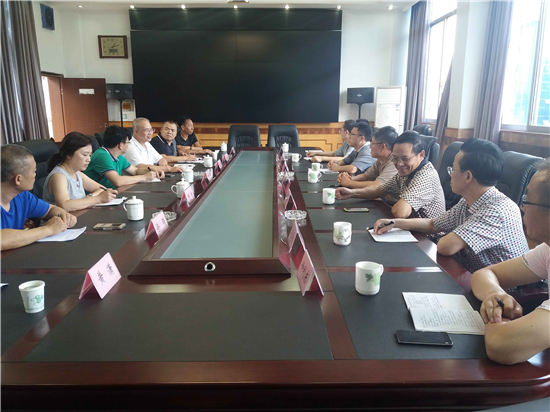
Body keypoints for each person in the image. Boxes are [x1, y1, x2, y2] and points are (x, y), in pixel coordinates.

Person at [373, 138, 529, 274]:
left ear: (468, 176)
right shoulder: (468, 201)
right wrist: (394, 223)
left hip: (501, 291)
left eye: (452, 169)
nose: (450, 174)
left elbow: (446, 247)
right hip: (474, 275)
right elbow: (433, 224)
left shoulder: (496, 210)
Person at [469, 159, 550, 365]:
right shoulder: (547, 250)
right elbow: (485, 274)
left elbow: (501, 346)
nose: (522, 208)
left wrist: (497, 314)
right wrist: (496, 296)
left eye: (527, 200)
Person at [336, 131, 445, 219]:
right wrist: (351, 193)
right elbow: (380, 190)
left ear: (421, 155)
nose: (400, 164)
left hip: (427, 237)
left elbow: (400, 212)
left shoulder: (425, 176)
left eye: (405, 158)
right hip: (409, 228)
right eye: (395, 158)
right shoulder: (407, 172)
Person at [1, 145, 77, 251]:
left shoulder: (23, 196)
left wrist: (64, 216)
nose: (35, 175)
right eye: (34, 171)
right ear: (18, 179)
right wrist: (48, 229)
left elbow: (49, 210)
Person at [43, 132, 118, 211]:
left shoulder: (77, 174)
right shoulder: (59, 176)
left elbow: (102, 189)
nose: (89, 159)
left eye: (90, 155)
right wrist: (97, 199)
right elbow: (65, 205)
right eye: (84, 155)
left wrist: (90, 197)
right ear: (69, 154)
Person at [84, 125, 159, 189]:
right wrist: (144, 177)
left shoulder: (118, 156)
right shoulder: (102, 156)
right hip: (96, 197)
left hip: (111, 194)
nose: (128, 145)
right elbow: (118, 181)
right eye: (127, 143)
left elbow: (135, 171)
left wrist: (151, 171)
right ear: (120, 145)